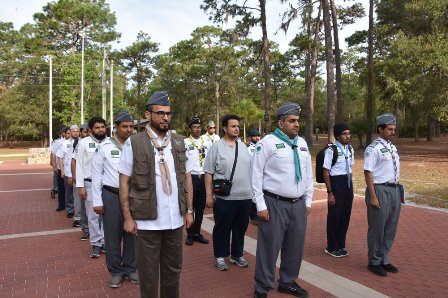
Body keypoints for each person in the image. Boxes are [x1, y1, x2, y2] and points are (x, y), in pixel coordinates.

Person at [118, 91, 194, 298]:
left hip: (175, 220)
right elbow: (124, 182)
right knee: (149, 273)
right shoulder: (134, 143)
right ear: (148, 114)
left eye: (168, 114)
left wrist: (189, 210)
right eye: (160, 113)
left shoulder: (179, 142)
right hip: (147, 221)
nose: (165, 118)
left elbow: (187, 179)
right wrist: (127, 218)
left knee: (173, 270)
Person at [251, 102, 313, 298]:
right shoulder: (267, 143)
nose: (297, 124)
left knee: (295, 246)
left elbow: (307, 174)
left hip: (298, 204)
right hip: (274, 203)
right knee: (269, 247)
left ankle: (287, 281)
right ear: (280, 123)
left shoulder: (301, 143)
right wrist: (260, 205)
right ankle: (262, 287)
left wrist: (308, 200)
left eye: (298, 121)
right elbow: (256, 175)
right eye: (292, 121)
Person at [92, 111, 138, 288]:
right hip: (111, 195)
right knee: (112, 236)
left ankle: (130, 268)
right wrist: (97, 201)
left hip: (132, 196)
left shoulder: (136, 146)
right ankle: (116, 271)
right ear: (116, 127)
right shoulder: (104, 147)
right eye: (125, 126)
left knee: (132, 233)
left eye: (131, 127)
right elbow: (96, 175)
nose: (128, 130)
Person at [204, 114, 253, 271]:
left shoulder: (243, 147)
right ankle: (220, 255)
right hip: (225, 198)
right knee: (222, 228)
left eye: (238, 126)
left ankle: (237, 254)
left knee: (241, 228)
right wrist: (208, 195)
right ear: (225, 128)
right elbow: (208, 172)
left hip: (245, 197)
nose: (236, 128)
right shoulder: (216, 147)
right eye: (233, 126)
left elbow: (251, 171)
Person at [364, 113, 401, 277]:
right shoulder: (373, 148)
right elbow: (368, 172)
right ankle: (374, 261)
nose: (393, 132)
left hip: (394, 190)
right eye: (390, 129)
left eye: (394, 129)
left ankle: (384, 258)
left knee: (390, 226)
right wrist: (373, 196)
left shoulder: (392, 147)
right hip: (379, 189)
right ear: (380, 129)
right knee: (377, 228)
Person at [76, 117, 106, 258]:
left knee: (106, 215)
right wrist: (80, 186)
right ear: (91, 130)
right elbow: (79, 165)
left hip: (106, 185)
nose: (100, 130)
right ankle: (96, 243)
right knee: (93, 216)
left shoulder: (109, 143)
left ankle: (105, 241)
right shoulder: (83, 143)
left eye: (102, 127)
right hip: (89, 183)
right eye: (97, 127)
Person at [323, 123, 354, 258]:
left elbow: (350, 167)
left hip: (347, 183)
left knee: (345, 216)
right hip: (336, 183)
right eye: (344, 134)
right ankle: (332, 246)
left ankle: (341, 244)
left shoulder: (350, 149)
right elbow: (326, 171)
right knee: (334, 216)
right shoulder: (332, 150)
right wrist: (330, 192)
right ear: (337, 136)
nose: (347, 136)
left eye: (349, 133)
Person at [184, 116, 210, 246]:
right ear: (190, 129)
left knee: (200, 208)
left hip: (203, 177)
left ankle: (197, 233)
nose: (197, 129)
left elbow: (210, 159)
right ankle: (189, 234)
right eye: (195, 127)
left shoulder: (206, 141)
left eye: (199, 127)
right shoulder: (186, 142)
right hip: (192, 177)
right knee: (190, 207)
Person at [56, 124, 79, 219]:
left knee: (77, 193)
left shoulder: (82, 142)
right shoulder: (65, 143)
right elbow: (60, 157)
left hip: (79, 172)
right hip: (68, 172)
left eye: (77, 131)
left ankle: (78, 211)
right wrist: (62, 171)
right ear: (70, 132)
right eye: (73, 131)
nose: (76, 133)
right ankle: (70, 210)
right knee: (69, 193)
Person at [72, 123, 90, 235]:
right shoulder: (81, 144)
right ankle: (86, 230)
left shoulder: (103, 142)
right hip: (85, 180)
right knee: (83, 207)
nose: (88, 134)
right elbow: (74, 161)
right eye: (85, 131)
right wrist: (75, 177)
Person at [52, 127, 70, 212]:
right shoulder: (58, 142)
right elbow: (53, 153)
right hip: (60, 169)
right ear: (64, 134)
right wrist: (54, 166)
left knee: (69, 189)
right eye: (68, 133)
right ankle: (61, 204)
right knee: (61, 188)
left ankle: (69, 206)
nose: (69, 135)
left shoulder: (76, 142)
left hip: (70, 170)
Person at [247, 129, 261, 225]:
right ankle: (253, 216)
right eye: (255, 136)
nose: (257, 137)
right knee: (253, 195)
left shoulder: (261, 147)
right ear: (250, 137)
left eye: (258, 136)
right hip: (251, 174)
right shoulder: (248, 149)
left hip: (260, 174)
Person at [50, 128, 65, 200]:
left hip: (65, 165)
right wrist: (53, 164)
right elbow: (52, 152)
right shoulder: (57, 142)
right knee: (56, 178)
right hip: (57, 163)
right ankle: (55, 190)